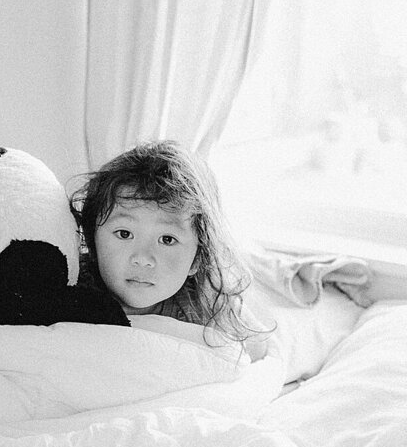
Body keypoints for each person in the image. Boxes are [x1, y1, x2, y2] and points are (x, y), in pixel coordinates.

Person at [70, 140, 268, 360]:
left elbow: (257, 349)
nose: (143, 259)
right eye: (124, 234)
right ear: (92, 240)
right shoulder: (74, 289)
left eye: (167, 239)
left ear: (197, 259)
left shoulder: (206, 302)